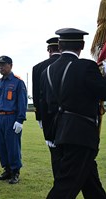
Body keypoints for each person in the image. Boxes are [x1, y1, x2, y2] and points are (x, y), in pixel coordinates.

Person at [41, 28, 106, 198]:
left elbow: (47, 106)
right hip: (81, 135)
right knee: (65, 187)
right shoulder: (86, 67)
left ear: (60, 45)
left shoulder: (46, 71)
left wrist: (50, 136)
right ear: (82, 46)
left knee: (92, 185)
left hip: (60, 133)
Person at [0, 56, 27, 184]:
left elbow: (22, 102)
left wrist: (20, 120)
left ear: (11, 65)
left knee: (12, 146)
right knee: (2, 146)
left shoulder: (18, 82)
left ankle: (15, 171)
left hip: (11, 118)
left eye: (3, 65)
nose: (1, 68)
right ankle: (6, 170)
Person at [32, 37, 61, 177]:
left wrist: (39, 117)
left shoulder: (38, 68)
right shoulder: (75, 64)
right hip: (71, 117)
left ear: (49, 50)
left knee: (55, 153)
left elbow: (37, 96)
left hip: (48, 116)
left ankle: (59, 180)